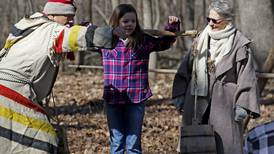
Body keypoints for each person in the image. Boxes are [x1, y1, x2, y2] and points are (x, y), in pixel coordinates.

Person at [0, 0, 125, 153]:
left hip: (11, 89)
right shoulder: (53, 31)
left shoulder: (27, 25)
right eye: (68, 17)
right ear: (53, 14)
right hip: (11, 95)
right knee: (42, 141)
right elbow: (76, 36)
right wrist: (109, 34)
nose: (71, 21)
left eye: (72, 17)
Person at [172, 0, 260, 153]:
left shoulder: (239, 43)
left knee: (225, 146)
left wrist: (242, 105)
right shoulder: (201, 39)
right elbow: (186, 68)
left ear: (227, 20)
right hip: (196, 101)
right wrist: (179, 93)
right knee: (196, 146)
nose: (210, 23)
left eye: (215, 20)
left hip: (225, 104)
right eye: (208, 19)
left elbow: (247, 76)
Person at [99, 4, 180, 154]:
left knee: (133, 143)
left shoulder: (143, 41)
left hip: (136, 97)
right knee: (116, 141)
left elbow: (165, 42)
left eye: (133, 21)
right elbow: (86, 33)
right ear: (116, 22)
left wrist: (172, 26)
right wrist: (107, 32)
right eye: (125, 21)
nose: (129, 25)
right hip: (113, 98)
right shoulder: (105, 41)